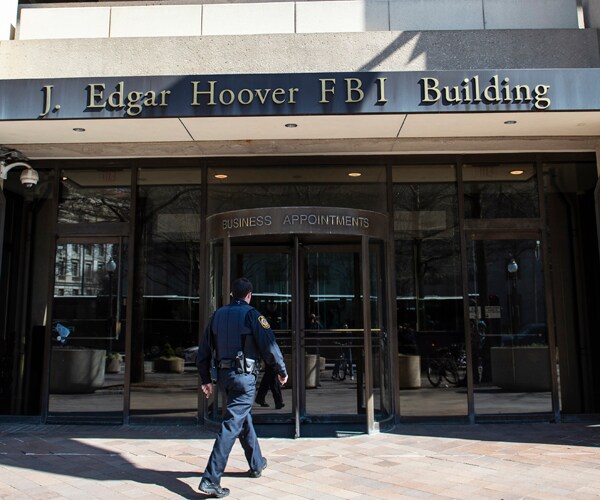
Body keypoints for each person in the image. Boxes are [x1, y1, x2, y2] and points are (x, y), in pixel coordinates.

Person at [196, 277, 288, 498]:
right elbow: (270, 346)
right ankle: (210, 479)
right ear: (249, 295)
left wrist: (205, 378)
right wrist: (281, 370)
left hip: (224, 378)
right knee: (231, 425)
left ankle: (256, 463)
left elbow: (204, 350)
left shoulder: (217, 315)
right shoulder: (253, 315)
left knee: (242, 418)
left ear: (232, 295)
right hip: (244, 378)